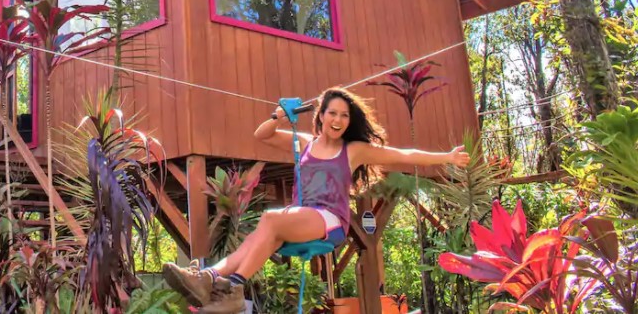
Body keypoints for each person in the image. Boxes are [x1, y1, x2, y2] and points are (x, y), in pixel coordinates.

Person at [162, 87, 470, 312]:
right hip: (300, 218)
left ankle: (231, 288)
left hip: (331, 221)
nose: (338, 120)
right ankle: (208, 278)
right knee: (255, 238)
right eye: (332, 113)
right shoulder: (304, 144)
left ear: (349, 122)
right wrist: (279, 115)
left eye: (344, 116)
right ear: (320, 116)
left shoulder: (353, 151)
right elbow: (263, 134)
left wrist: (447, 157)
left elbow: (403, 154)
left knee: (270, 219)